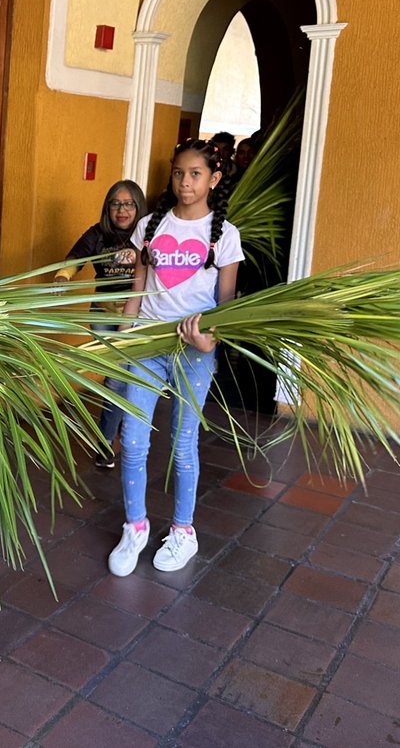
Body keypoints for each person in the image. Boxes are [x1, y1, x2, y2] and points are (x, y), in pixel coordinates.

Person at [108, 139, 243, 576]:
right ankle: (136, 526)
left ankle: (183, 531)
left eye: (196, 174)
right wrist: (123, 338)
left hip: (193, 353)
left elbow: (227, 305)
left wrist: (210, 343)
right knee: (132, 440)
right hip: (148, 345)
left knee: (182, 444)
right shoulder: (150, 225)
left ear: (214, 179)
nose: (186, 182)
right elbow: (137, 289)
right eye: (179, 173)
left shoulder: (223, 235)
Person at [53, 180, 146, 468]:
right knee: (116, 378)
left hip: (139, 314)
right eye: (116, 203)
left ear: (138, 206)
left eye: (128, 203)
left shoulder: (148, 232)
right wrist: (62, 277)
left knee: (133, 379)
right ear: (108, 207)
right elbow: (75, 259)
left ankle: (124, 436)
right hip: (104, 314)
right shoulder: (98, 234)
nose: (122, 209)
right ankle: (106, 441)